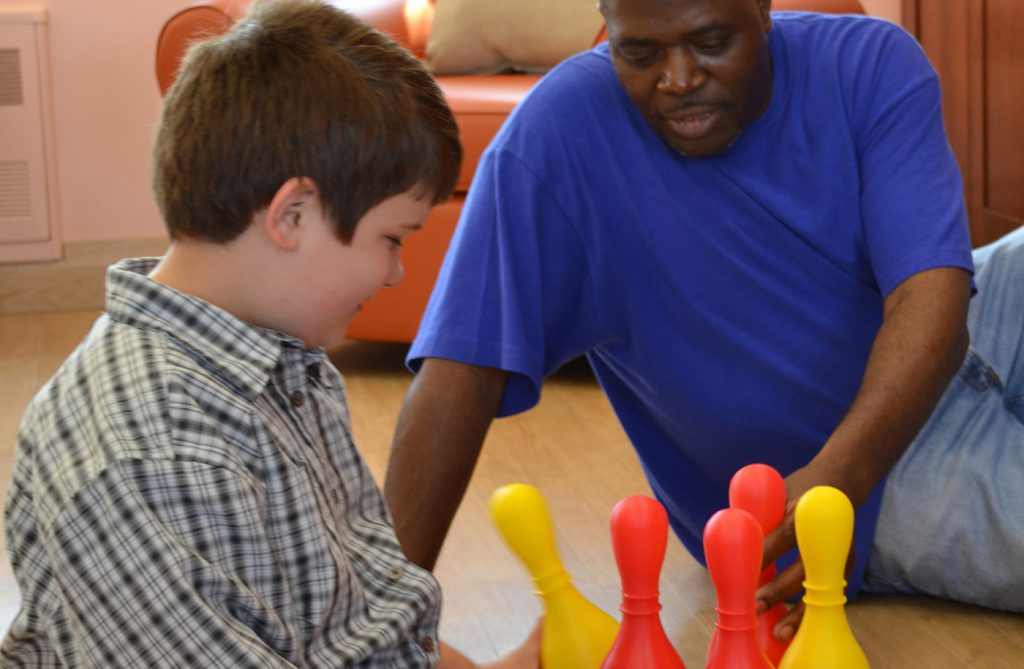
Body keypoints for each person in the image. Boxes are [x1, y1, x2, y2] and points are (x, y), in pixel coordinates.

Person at [383, 0, 1024, 642]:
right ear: (608, 30)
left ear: (763, 10)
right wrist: (384, 624)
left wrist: (842, 473)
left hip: (939, 355)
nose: (679, 78)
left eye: (711, 41)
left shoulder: (870, 60)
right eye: (641, 53)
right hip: (860, 489)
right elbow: (460, 373)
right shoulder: (554, 138)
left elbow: (935, 294)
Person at [1, 1, 540, 666]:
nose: (397, 273)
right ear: (293, 214)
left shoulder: (286, 361)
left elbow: (365, 619)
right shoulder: (149, 454)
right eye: (392, 239)